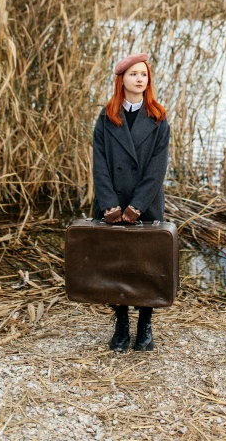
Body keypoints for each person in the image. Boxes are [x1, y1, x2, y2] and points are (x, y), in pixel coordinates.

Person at [92, 52, 170, 353]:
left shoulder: (158, 117)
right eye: (133, 74)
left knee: (147, 265)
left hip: (145, 204)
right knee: (117, 264)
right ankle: (122, 324)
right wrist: (109, 203)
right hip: (113, 203)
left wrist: (136, 206)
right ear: (121, 79)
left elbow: (156, 169)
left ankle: (145, 326)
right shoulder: (107, 116)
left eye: (144, 74)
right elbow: (99, 164)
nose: (140, 79)